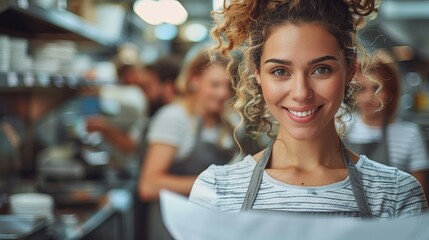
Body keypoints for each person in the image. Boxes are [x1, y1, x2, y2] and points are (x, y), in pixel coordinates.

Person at [189, 0, 427, 218]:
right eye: (280, 71)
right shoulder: (215, 191)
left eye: (321, 69)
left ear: (350, 71)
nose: (301, 92)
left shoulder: (397, 194)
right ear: (257, 74)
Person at [138, 48, 238, 239]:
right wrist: (213, 184)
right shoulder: (174, 118)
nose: (223, 93)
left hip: (206, 228)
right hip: (173, 229)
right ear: (193, 81)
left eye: (227, 85)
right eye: (215, 85)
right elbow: (148, 185)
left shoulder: (224, 122)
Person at [345, 59, 429, 199]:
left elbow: (420, 195)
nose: (368, 97)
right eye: (361, 89)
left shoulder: (410, 134)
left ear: (391, 92)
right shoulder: (342, 129)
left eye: (376, 88)